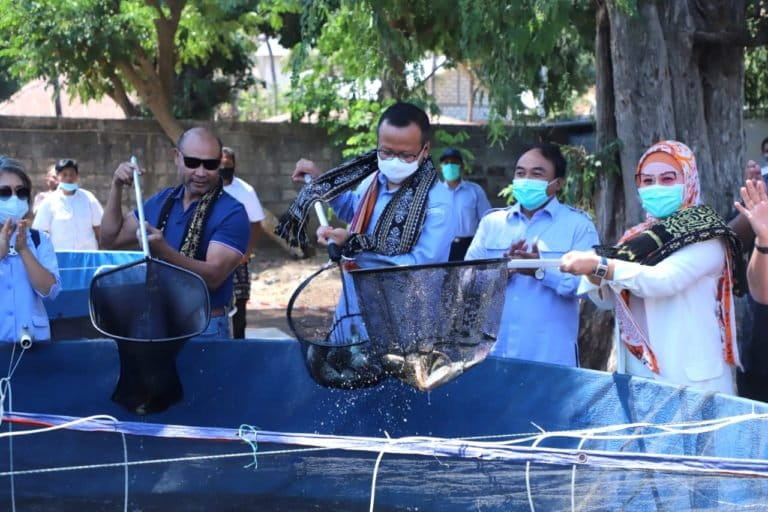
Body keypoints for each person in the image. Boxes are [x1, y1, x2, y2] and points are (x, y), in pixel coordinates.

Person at [279, 102, 455, 385]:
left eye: (405, 155)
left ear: (425, 150)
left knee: (391, 398)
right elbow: (352, 208)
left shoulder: (438, 202)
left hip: (400, 331)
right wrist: (321, 180)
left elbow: (419, 266)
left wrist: (353, 244)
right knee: (343, 392)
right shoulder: (373, 181)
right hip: (351, 317)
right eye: (386, 151)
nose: (394, 160)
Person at [560, 140, 744, 394]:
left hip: (692, 380)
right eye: (647, 181)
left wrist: (601, 265)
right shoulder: (637, 239)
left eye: (667, 179)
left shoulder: (707, 235)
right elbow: (607, 300)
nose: (656, 187)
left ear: (689, 180)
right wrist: (594, 273)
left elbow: (663, 280)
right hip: (639, 373)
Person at [100, 127, 250, 339]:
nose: (201, 172)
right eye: (192, 162)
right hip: (158, 321)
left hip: (204, 327)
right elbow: (110, 239)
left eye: (210, 165)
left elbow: (213, 277)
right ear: (177, 157)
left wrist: (164, 252)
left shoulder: (232, 212)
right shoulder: (163, 200)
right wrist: (116, 186)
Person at [464, 143, 599, 366]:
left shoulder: (578, 225)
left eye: (537, 174)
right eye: (520, 173)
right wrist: (501, 272)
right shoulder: (492, 223)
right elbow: (466, 282)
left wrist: (541, 271)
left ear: (557, 183)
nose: (526, 180)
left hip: (551, 356)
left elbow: (589, 287)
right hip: (495, 354)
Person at [0, 155, 60, 343]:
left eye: (21, 192)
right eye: (4, 192)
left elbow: (49, 291)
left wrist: (25, 251)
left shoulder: (39, 239)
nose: (14, 199)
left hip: (34, 343)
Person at [220, 146, 265, 339]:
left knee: (240, 300)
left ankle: (239, 341)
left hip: (238, 256)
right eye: (220, 164)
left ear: (234, 165)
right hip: (211, 256)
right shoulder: (207, 189)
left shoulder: (245, 191)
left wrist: (247, 252)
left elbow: (256, 223)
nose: (224, 168)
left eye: (228, 164)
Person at [32, 159, 104, 250]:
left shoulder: (88, 198)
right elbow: (40, 232)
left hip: (87, 254)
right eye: (64, 175)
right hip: (60, 255)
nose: (68, 178)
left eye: (72, 174)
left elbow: (99, 228)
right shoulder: (49, 202)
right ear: (58, 177)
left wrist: (102, 250)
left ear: (77, 176)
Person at [438, 148, 491, 261]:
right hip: (442, 246)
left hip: (469, 245)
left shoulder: (475, 191)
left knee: (468, 272)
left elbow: (487, 220)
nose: (450, 166)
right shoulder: (434, 193)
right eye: (446, 163)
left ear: (461, 166)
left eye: (454, 163)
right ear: (441, 166)